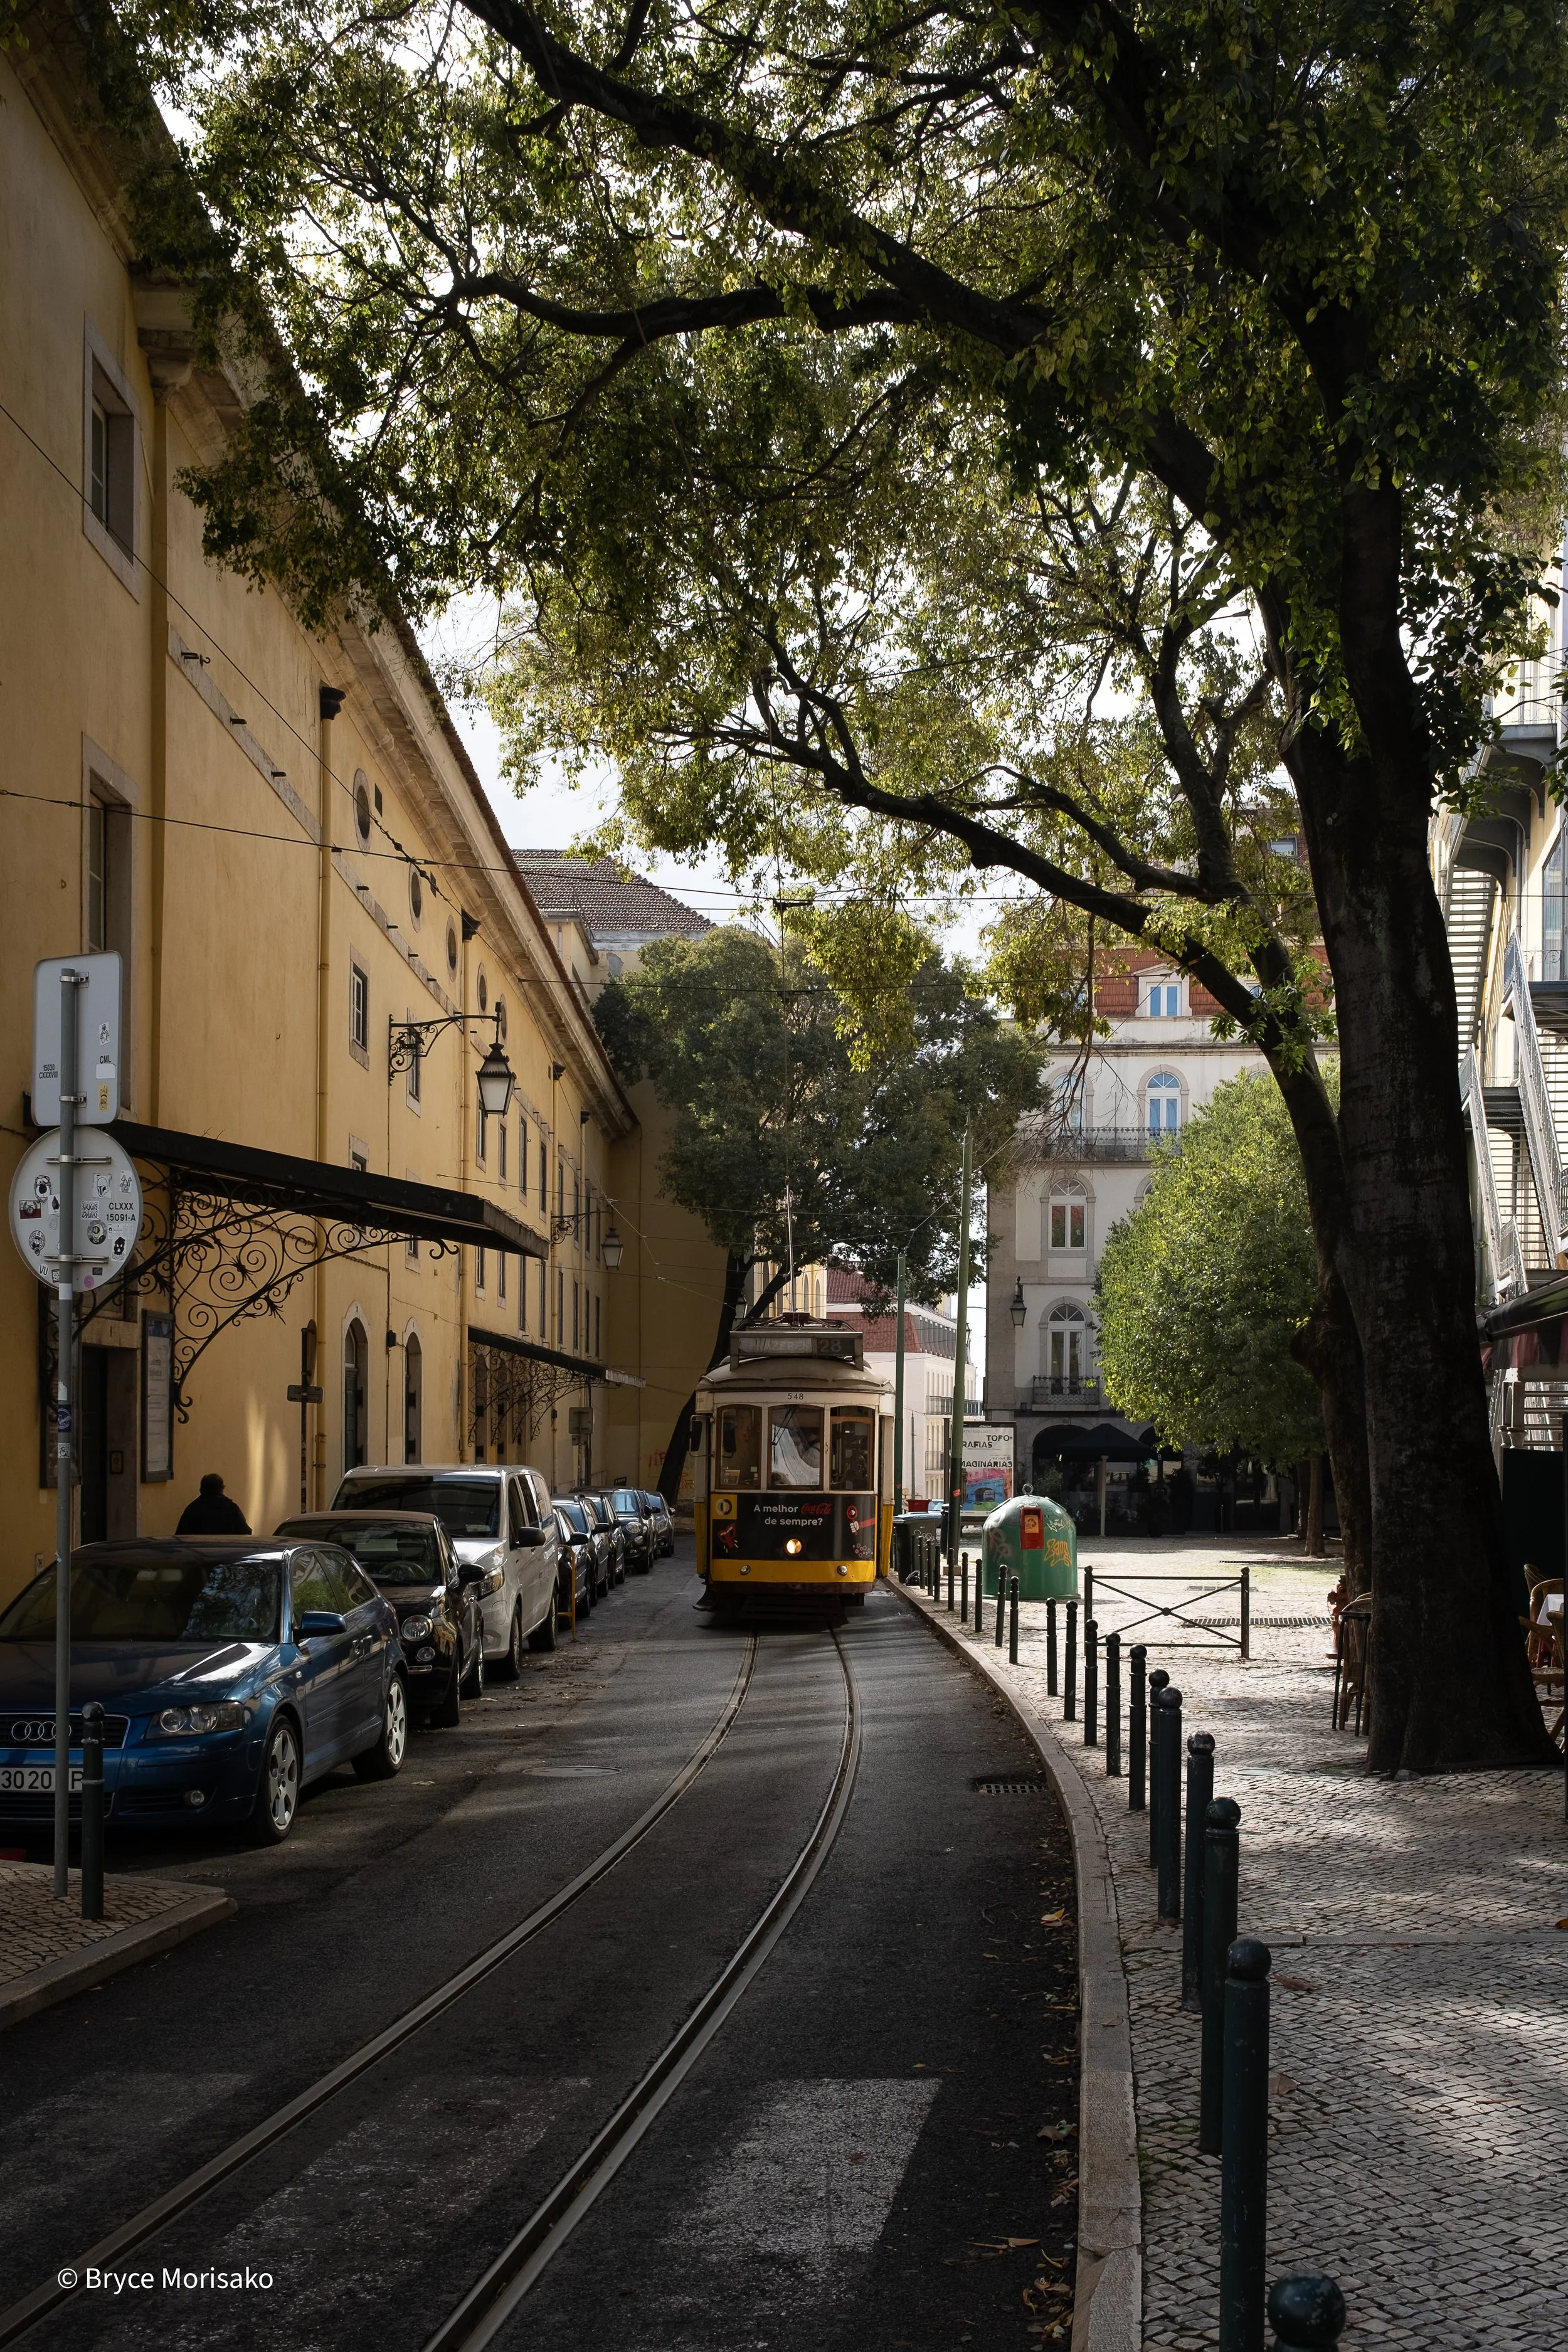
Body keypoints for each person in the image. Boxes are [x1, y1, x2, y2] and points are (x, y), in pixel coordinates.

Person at [176, 1473, 251, 1535]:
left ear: (201, 1489)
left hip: (199, 1551)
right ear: (222, 1489)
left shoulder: (193, 1509)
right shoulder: (231, 1508)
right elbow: (246, 1531)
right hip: (227, 1550)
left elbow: (181, 1535)